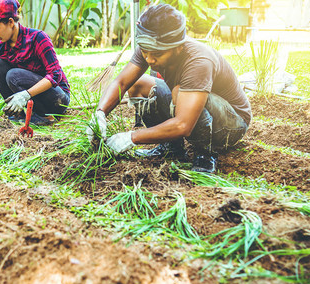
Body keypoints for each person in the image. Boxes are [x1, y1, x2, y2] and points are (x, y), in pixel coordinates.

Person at [86, 3, 251, 173]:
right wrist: (100, 113)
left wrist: (131, 137)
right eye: (145, 52)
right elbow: (121, 83)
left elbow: (183, 124)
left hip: (231, 125)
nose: (149, 59)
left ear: (178, 47)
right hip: (196, 109)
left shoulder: (198, 61)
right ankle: (171, 148)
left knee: (178, 92)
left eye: (156, 54)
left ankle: (205, 155)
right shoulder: (150, 47)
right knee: (138, 84)